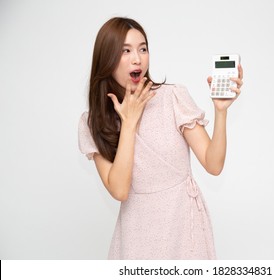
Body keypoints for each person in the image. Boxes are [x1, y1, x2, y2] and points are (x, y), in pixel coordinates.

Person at [78, 17, 243, 259]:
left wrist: (221, 111)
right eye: (125, 51)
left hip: (184, 229)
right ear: (107, 59)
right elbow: (120, 190)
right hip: (136, 235)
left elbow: (213, 164)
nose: (138, 58)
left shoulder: (172, 98)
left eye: (143, 49)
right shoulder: (93, 122)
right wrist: (129, 122)